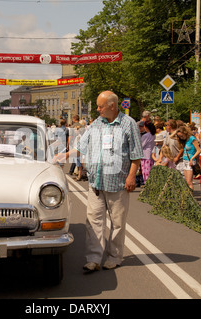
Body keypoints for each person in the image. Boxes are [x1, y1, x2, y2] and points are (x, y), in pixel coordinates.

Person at [53, 91, 143, 272]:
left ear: (112, 105)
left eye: (100, 106)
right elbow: (80, 147)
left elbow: (136, 155)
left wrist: (131, 176)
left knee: (117, 222)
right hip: (96, 182)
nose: (98, 109)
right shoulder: (96, 125)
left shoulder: (128, 124)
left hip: (118, 183)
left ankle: (114, 256)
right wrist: (63, 155)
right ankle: (93, 258)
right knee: (93, 221)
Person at [175, 125, 201, 192]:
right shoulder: (185, 140)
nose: (181, 137)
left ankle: (191, 197)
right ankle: (188, 196)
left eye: (182, 136)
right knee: (186, 182)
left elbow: (198, 150)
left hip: (190, 161)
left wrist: (192, 158)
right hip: (185, 160)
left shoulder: (192, 139)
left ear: (185, 133)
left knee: (189, 182)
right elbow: (172, 136)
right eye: (180, 136)